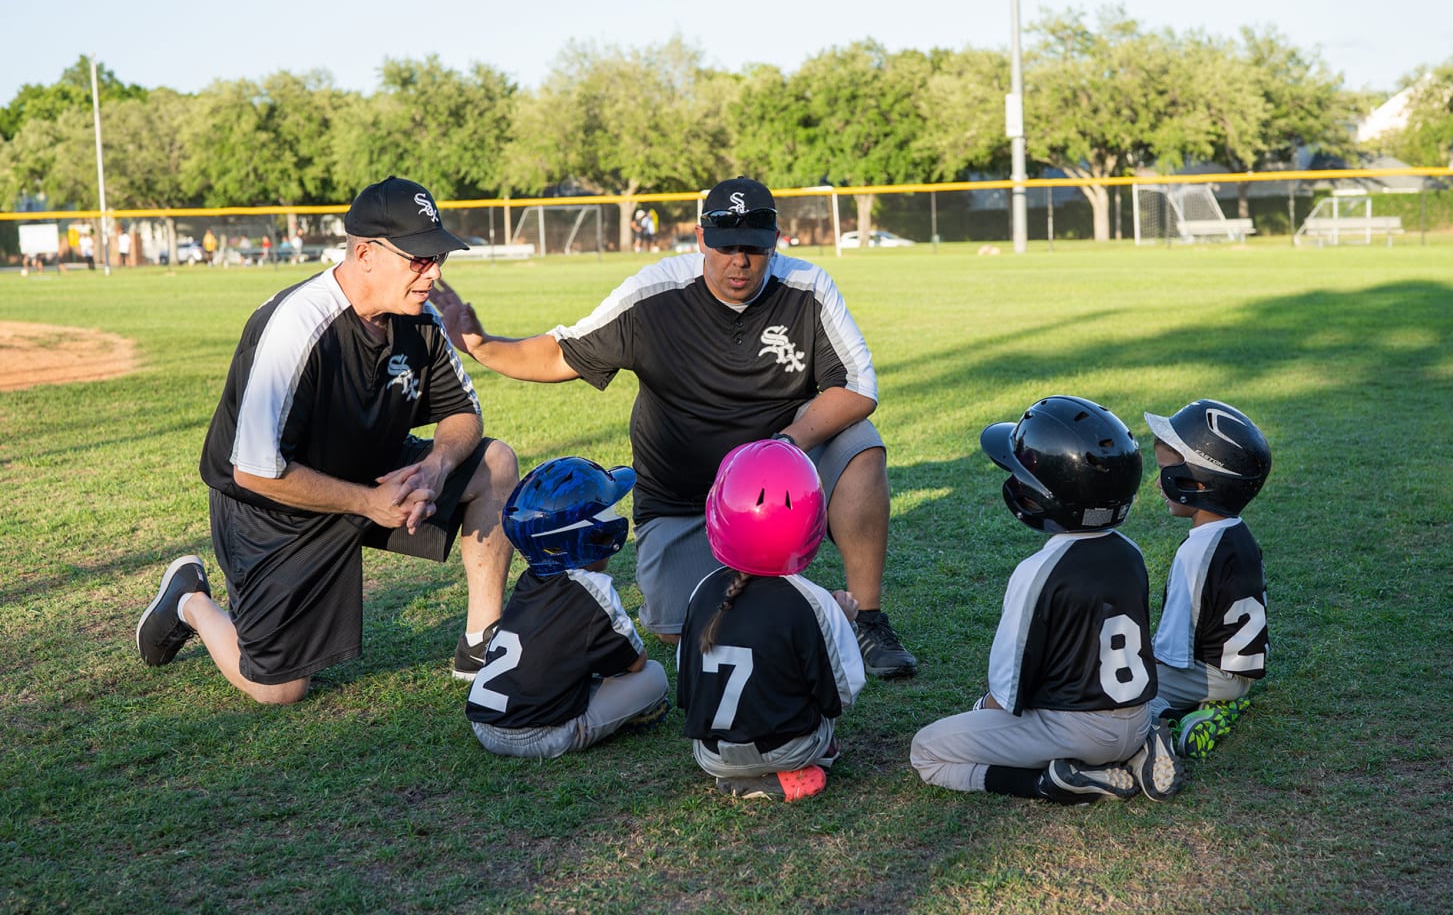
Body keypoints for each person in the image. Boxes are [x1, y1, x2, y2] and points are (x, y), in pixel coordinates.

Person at [430, 176, 916, 679]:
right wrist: (482, 346)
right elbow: (563, 351)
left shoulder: (807, 287)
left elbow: (858, 388)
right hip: (683, 497)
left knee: (861, 447)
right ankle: (805, 610)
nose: (739, 261)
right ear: (703, 239)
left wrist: (784, 445)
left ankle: (868, 620)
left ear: (775, 243)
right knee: (677, 626)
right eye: (726, 246)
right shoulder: (655, 292)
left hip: (776, 480)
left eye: (753, 248)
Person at [135, 176, 519, 705]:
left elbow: (462, 414)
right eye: (418, 260)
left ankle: (481, 643)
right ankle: (190, 602)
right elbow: (254, 470)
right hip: (272, 506)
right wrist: (368, 502)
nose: (433, 273)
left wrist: (435, 465)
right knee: (279, 690)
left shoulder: (420, 320)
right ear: (364, 254)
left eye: (438, 258)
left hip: (370, 471)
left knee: (492, 463)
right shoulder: (297, 325)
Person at [909, 396, 1183, 804]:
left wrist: (980, 709)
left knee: (926, 750)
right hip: (1137, 717)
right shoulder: (1132, 553)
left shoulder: (1038, 571)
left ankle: (1054, 782)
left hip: (1078, 731)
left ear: (1042, 496)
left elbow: (1006, 695)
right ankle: (1143, 747)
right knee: (1113, 722)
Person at [677, 439, 866, 801]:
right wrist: (845, 621)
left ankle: (746, 773)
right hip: (786, 749)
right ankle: (790, 771)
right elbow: (842, 694)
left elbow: (687, 683)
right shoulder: (813, 600)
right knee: (821, 720)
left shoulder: (701, 590)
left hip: (710, 754)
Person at [467, 456, 670, 757]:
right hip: (536, 735)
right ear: (590, 536)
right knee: (654, 677)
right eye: (606, 513)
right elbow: (635, 663)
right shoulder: (593, 589)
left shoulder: (529, 580)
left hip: (483, 725)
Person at [1142, 399, 1273, 759]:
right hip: (1238, 673)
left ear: (1202, 484)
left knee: (1120, 694)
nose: (1157, 484)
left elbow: (1171, 651)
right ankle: (1220, 705)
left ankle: (1186, 720)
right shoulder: (1237, 533)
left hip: (1207, 675)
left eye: (1165, 473)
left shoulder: (1196, 550)